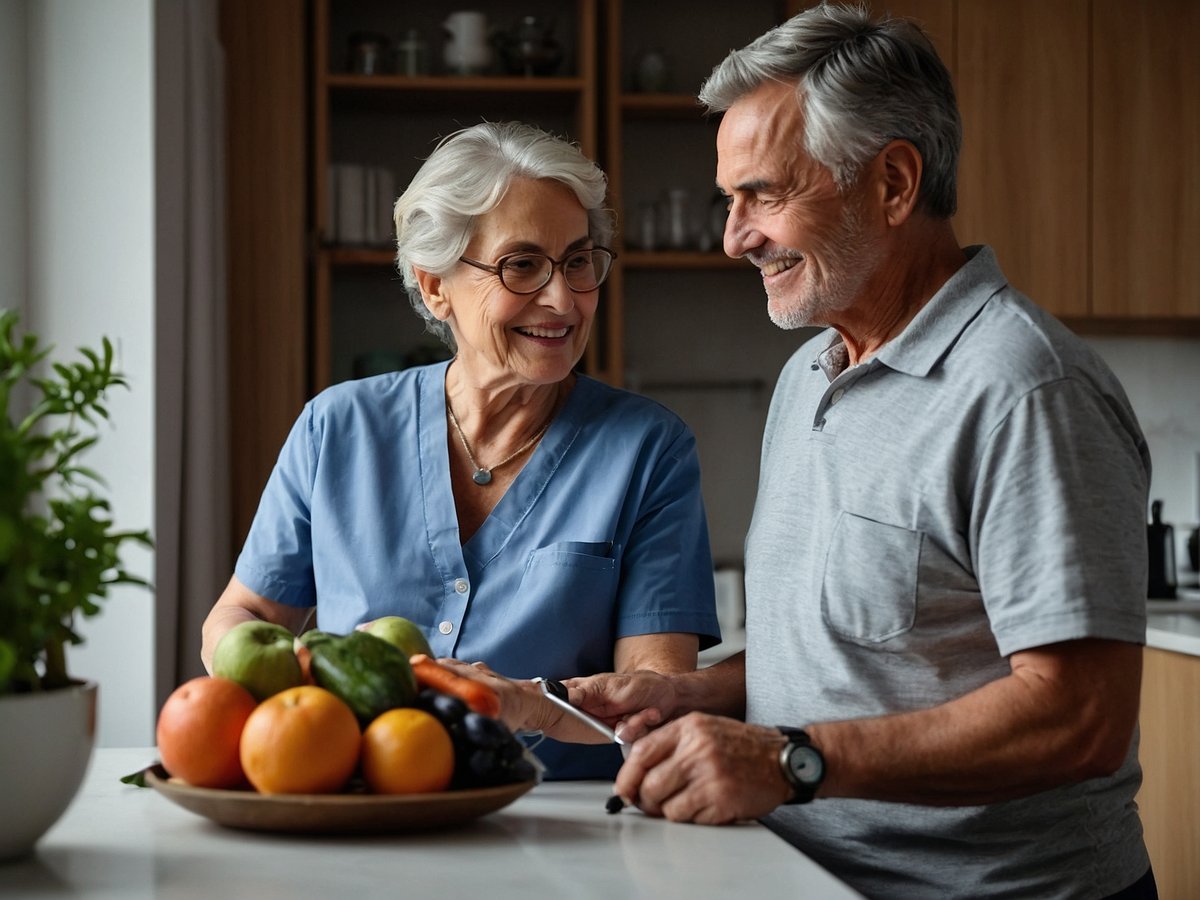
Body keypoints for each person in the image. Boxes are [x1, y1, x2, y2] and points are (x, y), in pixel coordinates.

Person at [567, 5, 1156, 898]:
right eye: (731, 201)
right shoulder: (811, 371)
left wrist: (791, 760)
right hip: (812, 877)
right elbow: (863, 654)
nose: (735, 236)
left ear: (892, 182)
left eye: (763, 194)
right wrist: (699, 696)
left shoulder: (1027, 390)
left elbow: (1080, 717)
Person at [201, 121, 720, 780]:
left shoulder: (648, 449)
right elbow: (241, 616)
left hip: (563, 832)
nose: (563, 299)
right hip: (361, 813)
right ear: (435, 286)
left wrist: (527, 706)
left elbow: (655, 700)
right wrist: (315, 674)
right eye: (523, 264)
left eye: (579, 261)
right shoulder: (337, 428)